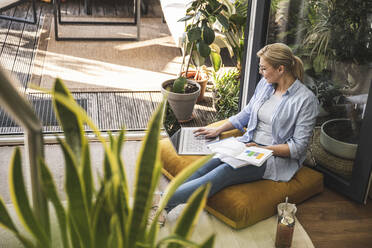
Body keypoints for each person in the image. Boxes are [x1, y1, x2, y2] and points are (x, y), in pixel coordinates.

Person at [161, 42, 319, 221]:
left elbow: (298, 148)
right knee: (206, 166)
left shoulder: (306, 100)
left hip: (273, 156)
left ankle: (159, 204)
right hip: (247, 144)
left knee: (224, 172)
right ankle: (162, 205)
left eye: (264, 68)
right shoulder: (266, 85)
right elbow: (248, 112)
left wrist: (264, 149)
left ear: (280, 69)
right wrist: (218, 129)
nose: (260, 72)